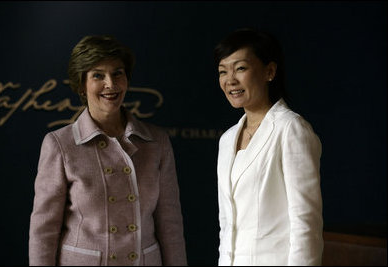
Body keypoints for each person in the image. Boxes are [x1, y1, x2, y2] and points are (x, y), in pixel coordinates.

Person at [29, 35, 187, 266]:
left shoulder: (156, 141)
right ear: (82, 84)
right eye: (97, 76)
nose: (110, 84)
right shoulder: (59, 144)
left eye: (117, 73)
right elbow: (44, 230)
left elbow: (170, 224)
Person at [214, 28, 323, 266]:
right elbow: (227, 224)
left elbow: (306, 222)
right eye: (223, 71)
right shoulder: (227, 139)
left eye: (240, 68)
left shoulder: (291, 129)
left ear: (269, 71)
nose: (230, 80)